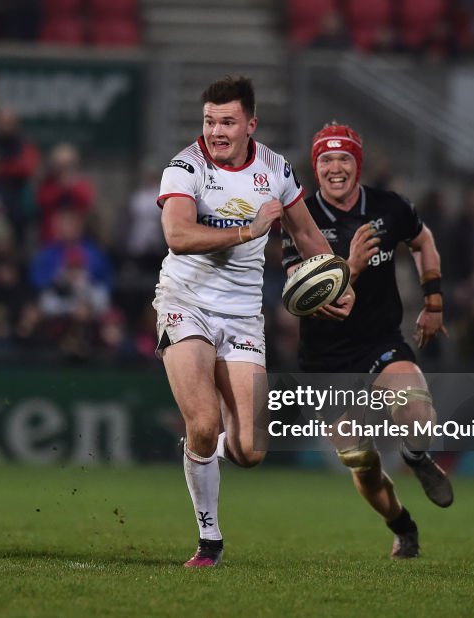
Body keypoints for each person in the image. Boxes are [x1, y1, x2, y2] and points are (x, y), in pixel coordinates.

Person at [154, 76, 355, 568]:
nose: (216, 131)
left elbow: (307, 234)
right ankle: (210, 540)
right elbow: (177, 235)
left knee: (249, 450)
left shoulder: (276, 169)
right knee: (203, 422)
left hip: (243, 316)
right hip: (185, 303)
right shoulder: (185, 167)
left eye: (226, 121)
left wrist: (340, 280)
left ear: (250, 124)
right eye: (209, 121)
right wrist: (250, 229)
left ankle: (200, 449)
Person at [280, 122, 453, 559]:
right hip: (326, 359)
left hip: (380, 340)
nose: (335, 167)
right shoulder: (300, 219)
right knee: (363, 463)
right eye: (325, 159)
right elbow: (305, 300)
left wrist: (433, 302)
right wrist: (351, 266)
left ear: (357, 164)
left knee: (419, 416)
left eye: (343, 159)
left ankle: (416, 458)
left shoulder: (390, 208)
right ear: (315, 168)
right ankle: (402, 525)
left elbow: (423, 239)